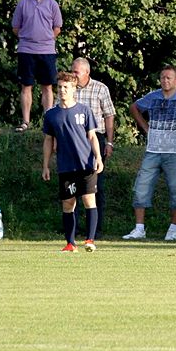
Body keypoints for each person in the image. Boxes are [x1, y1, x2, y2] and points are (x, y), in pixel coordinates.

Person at [122, 65, 176, 241]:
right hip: (153, 151)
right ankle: (139, 229)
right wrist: (145, 127)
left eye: (169, 78)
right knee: (141, 188)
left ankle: (173, 230)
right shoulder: (152, 96)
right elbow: (134, 107)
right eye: (162, 77)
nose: (165, 80)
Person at [42, 72, 104, 252]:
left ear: (74, 89)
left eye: (66, 87)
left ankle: (90, 240)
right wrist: (45, 165)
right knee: (68, 203)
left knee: (89, 199)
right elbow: (48, 140)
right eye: (60, 87)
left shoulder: (84, 110)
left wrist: (98, 158)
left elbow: (92, 136)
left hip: (86, 164)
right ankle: (70, 243)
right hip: (65, 166)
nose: (62, 90)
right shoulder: (51, 114)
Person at [11, 0, 63, 133]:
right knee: (26, 86)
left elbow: (57, 27)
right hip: (26, 50)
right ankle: (26, 122)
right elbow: (15, 27)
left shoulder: (52, 4)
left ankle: (48, 121)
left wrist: (45, 39)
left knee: (47, 86)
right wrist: (28, 38)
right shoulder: (23, 3)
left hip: (47, 51)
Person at [71, 58, 115, 238]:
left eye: (76, 72)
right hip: (73, 139)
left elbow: (109, 115)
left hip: (95, 138)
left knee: (95, 185)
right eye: (72, 71)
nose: (73, 75)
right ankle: (72, 227)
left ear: (87, 73)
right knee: (72, 184)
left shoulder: (100, 88)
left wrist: (110, 142)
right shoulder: (68, 88)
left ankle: (95, 228)